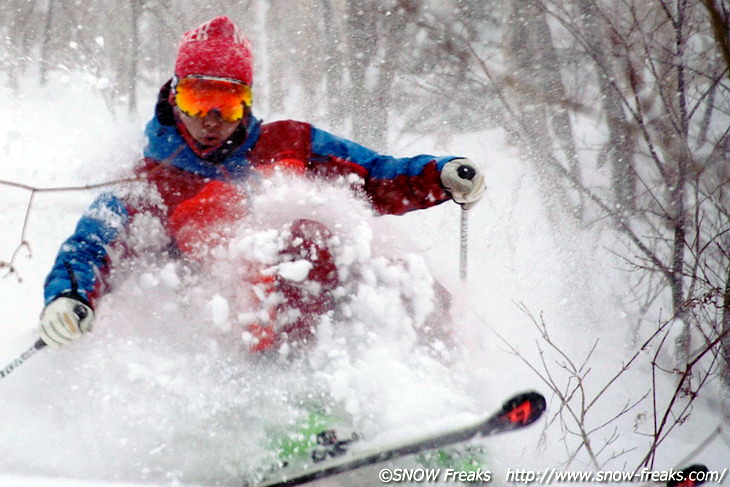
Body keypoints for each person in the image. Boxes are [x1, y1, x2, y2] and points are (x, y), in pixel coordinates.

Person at [37, 16, 485, 352]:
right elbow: (91, 246)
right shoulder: (148, 181)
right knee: (290, 246)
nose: (211, 119)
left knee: (404, 273)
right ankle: (284, 394)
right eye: (198, 99)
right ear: (174, 97)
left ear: (247, 102)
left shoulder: (287, 143)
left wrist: (438, 175)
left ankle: (434, 393)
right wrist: (70, 297)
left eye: (228, 103)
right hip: (222, 317)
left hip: (325, 300)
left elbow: (375, 175)